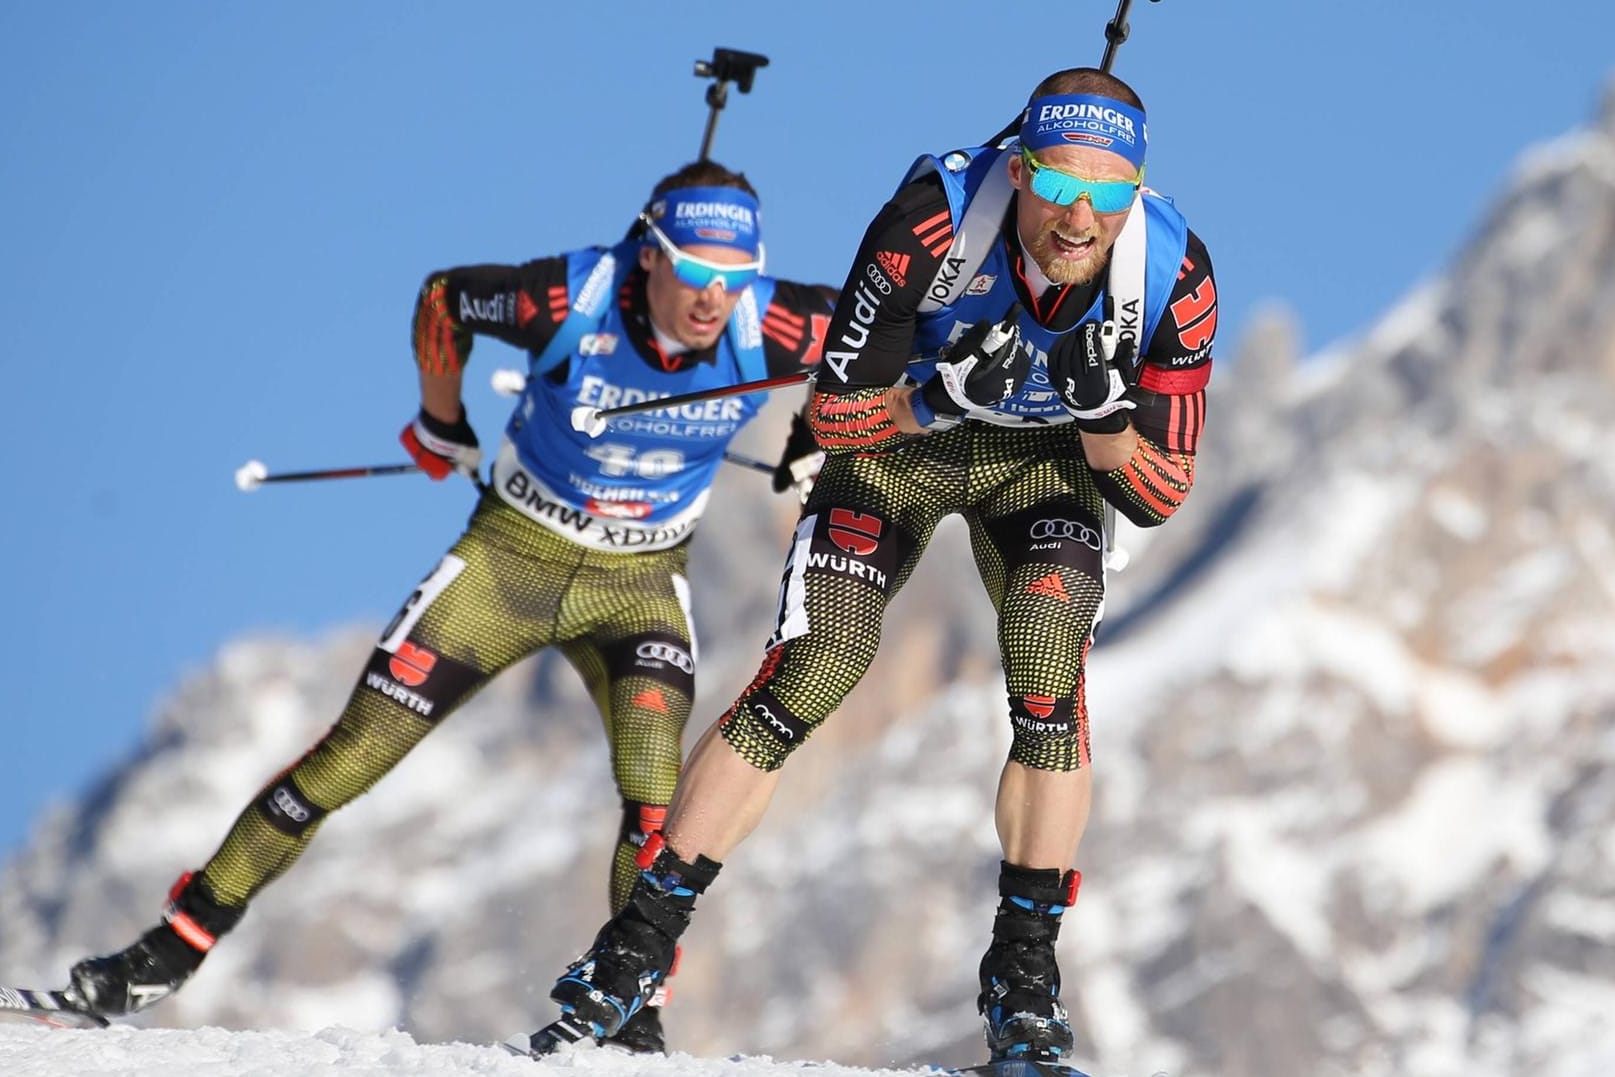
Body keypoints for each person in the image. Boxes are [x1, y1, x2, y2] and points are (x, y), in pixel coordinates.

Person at [521, 67, 1218, 1064]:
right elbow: (834, 412)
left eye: (1108, 195)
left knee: (1045, 657)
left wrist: (1105, 423)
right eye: (1059, 186)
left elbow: (1160, 490)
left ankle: (1023, 978)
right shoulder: (933, 224)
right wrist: (933, 397)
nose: (1079, 218)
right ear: (1017, 170)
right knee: (819, 662)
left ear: (1136, 193)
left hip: (1045, 463)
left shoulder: (1173, 273)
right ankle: (631, 951)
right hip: (903, 451)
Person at [60, 160, 834, 1055]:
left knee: (657, 795)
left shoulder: (776, 320)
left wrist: (813, 437)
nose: (714, 301)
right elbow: (444, 299)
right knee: (348, 759)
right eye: (695, 274)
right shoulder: (572, 296)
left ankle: (634, 1014)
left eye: (734, 279)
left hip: (638, 584)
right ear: (648, 255)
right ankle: (166, 950)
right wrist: (441, 419)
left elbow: (865, 345)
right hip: (511, 563)